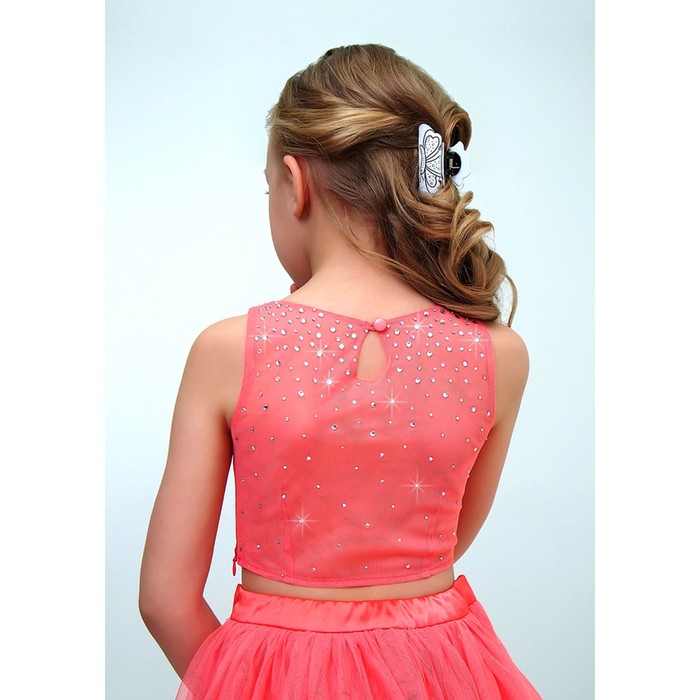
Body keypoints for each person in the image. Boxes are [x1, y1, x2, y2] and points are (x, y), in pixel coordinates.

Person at [139, 44, 540, 699]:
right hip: (440, 673)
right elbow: (442, 543)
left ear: (294, 184)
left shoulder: (228, 351)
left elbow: (164, 597)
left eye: (268, 188)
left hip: (275, 676)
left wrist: (241, 685)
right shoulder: (499, 355)